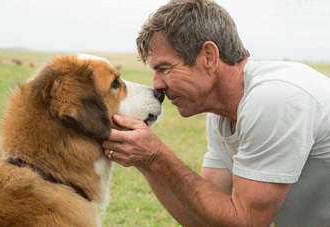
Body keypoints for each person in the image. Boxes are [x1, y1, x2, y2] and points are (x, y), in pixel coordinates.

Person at [102, 0, 330, 226]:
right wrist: (146, 162)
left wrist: (158, 157)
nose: (157, 85)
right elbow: (205, 219)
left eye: (165, 68)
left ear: (209, 57)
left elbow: (246, 222)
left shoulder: (274, 98)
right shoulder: (221, 117)